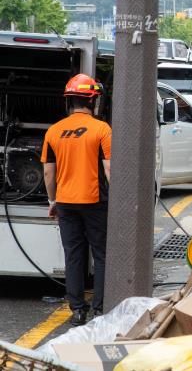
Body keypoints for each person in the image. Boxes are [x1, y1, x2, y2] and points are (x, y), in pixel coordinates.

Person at [41, 74, 111, 326]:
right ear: (93, 101)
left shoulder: (53, 131)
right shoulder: (102, 129)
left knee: (73, 255)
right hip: (95, 201)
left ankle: (78, 311)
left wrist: (53, 201)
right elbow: (109, 169)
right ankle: (99, 310)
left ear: (69, 101)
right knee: (101, 254)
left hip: (65, 202)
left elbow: (48, 173)